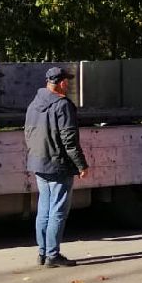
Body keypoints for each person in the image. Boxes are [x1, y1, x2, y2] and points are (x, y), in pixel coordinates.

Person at [24, 66, 89, 268]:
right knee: (58, 211)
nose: (68, 84)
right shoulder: (63, 106)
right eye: (66, 81)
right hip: (58, 165)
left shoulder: (34, 104)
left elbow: (28, 133)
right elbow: (69, 139)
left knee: (44, 209)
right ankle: (53, 255)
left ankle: (42, 254)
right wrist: (81, 164)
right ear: (60, 82)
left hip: (38, 163)